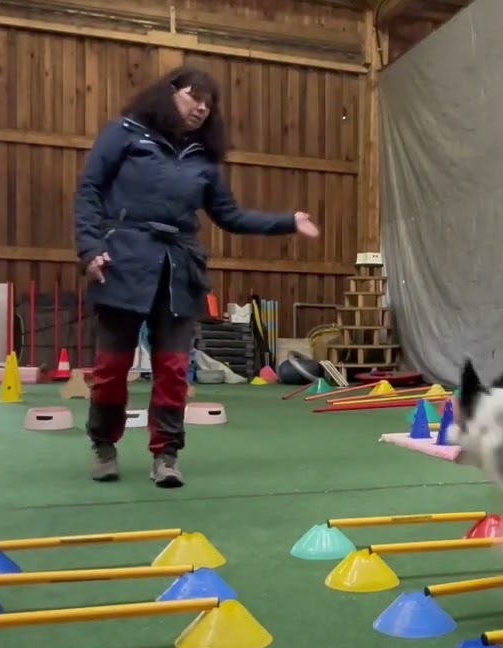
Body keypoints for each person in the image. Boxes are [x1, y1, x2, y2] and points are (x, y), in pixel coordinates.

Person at [73, 65, 320, 488]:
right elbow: (89, 191)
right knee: (112, 368)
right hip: (123, 264)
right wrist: (91, 248)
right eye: (193, 97)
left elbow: (230, 216)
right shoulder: (125, 133)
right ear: (169, 93)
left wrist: (287, 221)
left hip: (179, 271)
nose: (202, 107)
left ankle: (166, 455)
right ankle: (103, 445)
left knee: (173, 368)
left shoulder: (203, 160)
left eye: (209, 103)